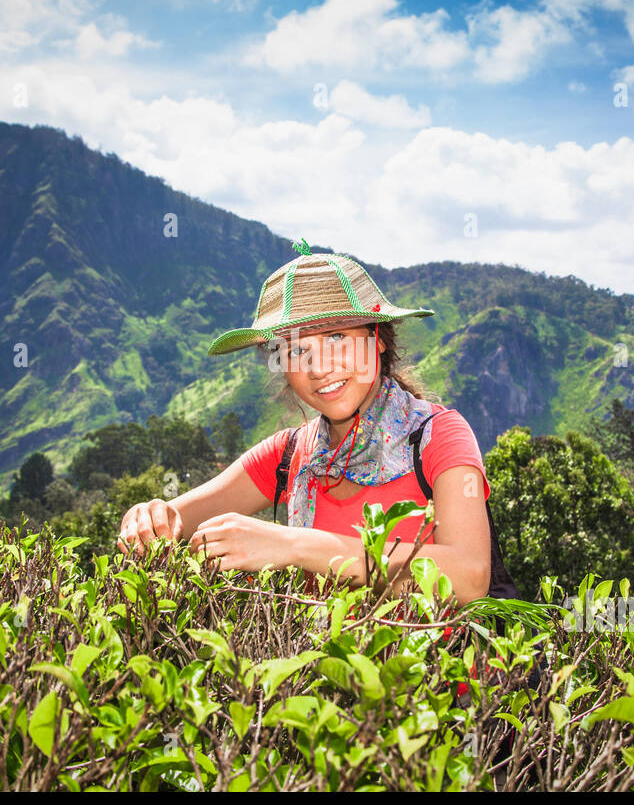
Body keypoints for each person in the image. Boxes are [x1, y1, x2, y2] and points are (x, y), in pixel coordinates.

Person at [115, 241, 495, 603]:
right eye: (297, 350)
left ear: (377, 338)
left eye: (336, 337)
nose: (319, 368)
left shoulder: (437, 436)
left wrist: (292, 546)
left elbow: (469, 575)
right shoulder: (289, 453)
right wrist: (148, 517)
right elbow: (175, 519)